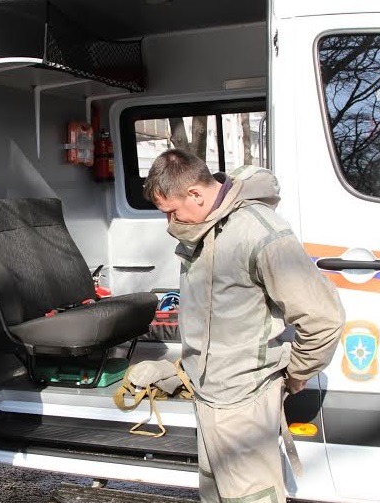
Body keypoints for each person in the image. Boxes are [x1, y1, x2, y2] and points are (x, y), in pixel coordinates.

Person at [143, 149, 345, 503]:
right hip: (209, 396)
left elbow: (323, 317)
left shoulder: (259, 231)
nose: (170, 222)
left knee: (250, 498)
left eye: (172, 211)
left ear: (195, 194)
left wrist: (299, 371)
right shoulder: (204, 225)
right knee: (216, 492)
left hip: (243, 400)